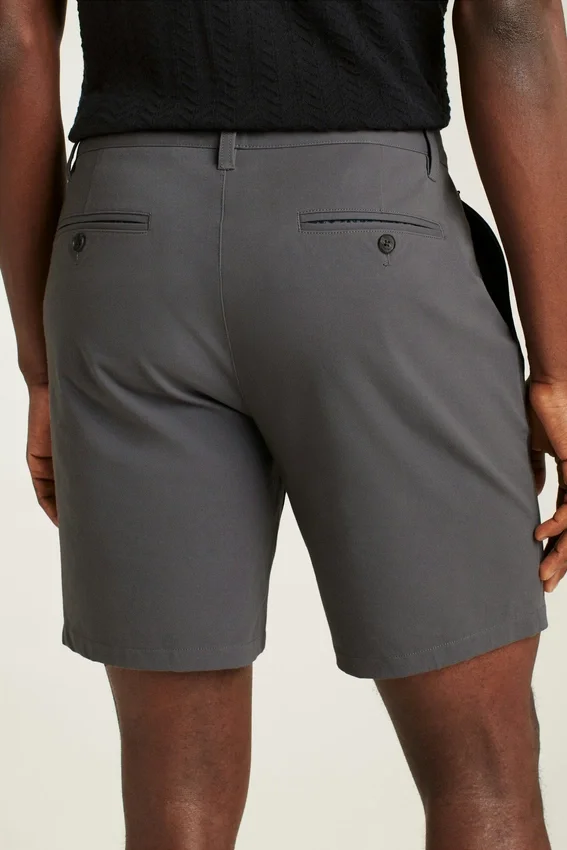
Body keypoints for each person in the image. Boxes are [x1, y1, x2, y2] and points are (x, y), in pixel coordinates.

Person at [1, 0, 566, 847]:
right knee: (482, 774)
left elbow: (12, 37)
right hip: (369, 241)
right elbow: (510, 17)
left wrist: (42, 366)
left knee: (173, 797)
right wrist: (558, 369)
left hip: (126, 245)